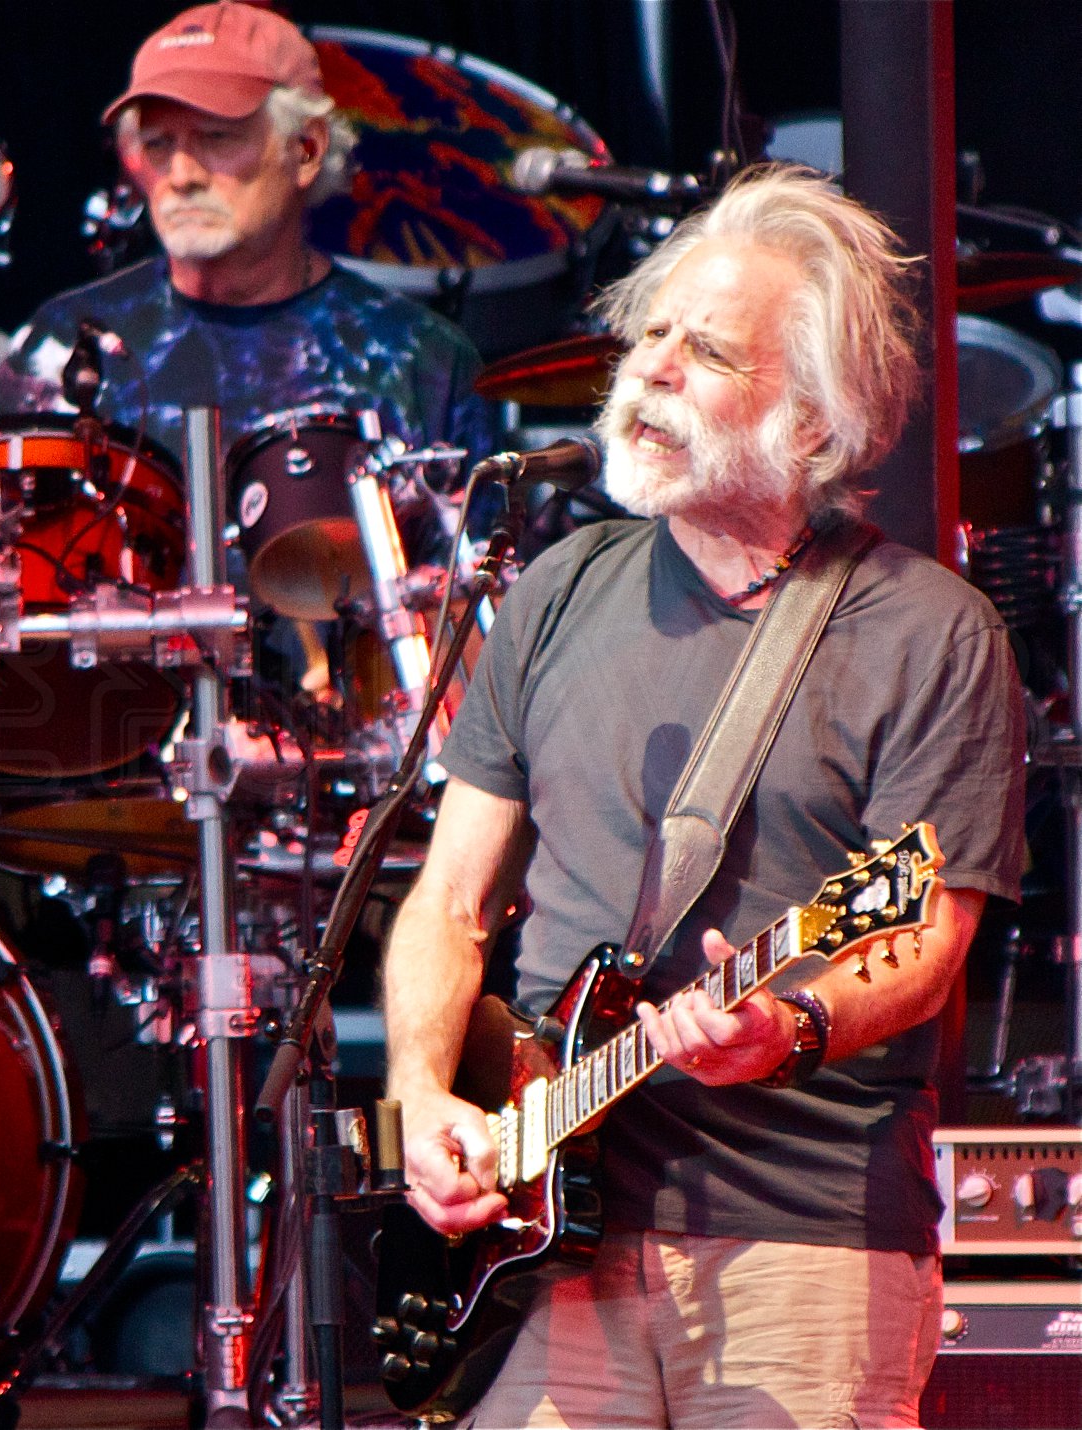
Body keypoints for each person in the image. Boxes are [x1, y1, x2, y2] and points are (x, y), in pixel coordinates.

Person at [381, 164, 1026, 1427]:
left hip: (799, 1237)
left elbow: (923, 940)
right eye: (651, 334)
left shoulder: (926, 631)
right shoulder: (555, 589)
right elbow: (448, 903)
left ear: (813, 419)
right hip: (543, 1237)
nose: (654, 367)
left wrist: (787, 1025)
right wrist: (422, 1095)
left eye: (709, 349)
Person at [0, 0, 495, 491]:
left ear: (306, 150)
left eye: (216, 137)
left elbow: (474, 555)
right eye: (158, 143)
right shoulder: (63, 344)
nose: (182, 175)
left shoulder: (422, 360)